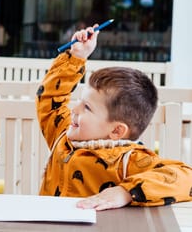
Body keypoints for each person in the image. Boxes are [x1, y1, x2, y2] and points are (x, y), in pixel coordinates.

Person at [36, 25, 192, 210]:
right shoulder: (62, 135)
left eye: (87, 107)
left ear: (117, 130)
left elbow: (185, 177)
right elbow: (50, 100)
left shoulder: (129, 159)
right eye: (79, 101)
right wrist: (76, 58)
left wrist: (126, 192)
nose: (75, 109)